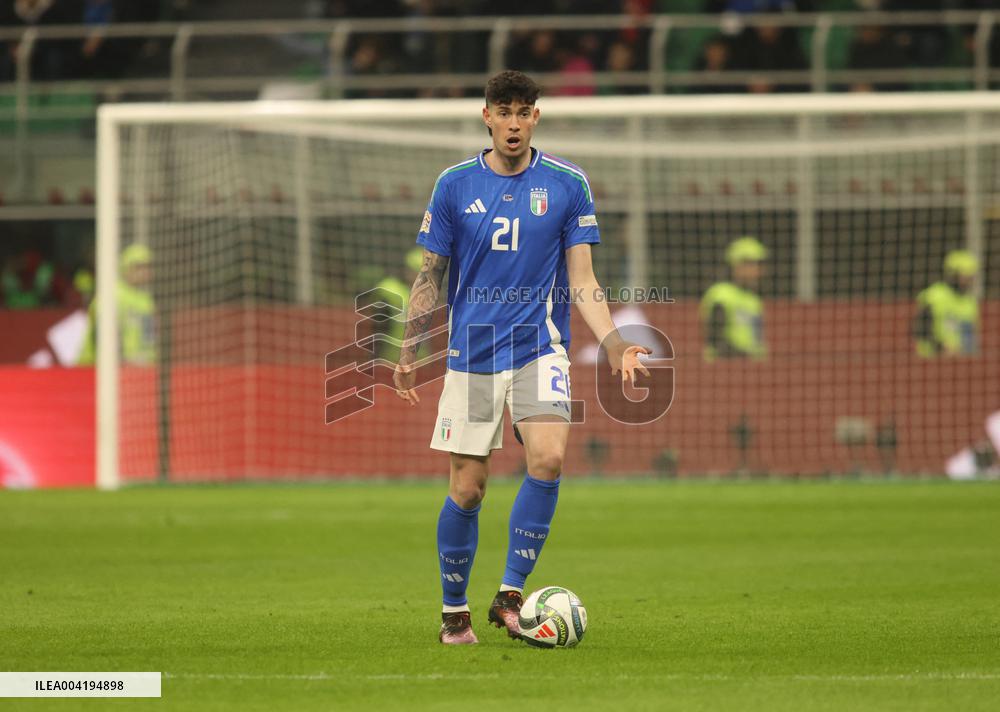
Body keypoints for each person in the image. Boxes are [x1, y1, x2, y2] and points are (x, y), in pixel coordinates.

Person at [393, 70, 650, 645]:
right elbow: (430, 275)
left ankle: (510, 595)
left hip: (539, 346)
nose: (513, 121)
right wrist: (410, 348)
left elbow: (583, 279)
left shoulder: (567, 183)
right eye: (503, 110)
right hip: (473, 353)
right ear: (486, 116)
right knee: (468, 489)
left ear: (537, 117)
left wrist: (612, 343)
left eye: (523, 111)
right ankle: (453, 612)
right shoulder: (455, 184)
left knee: (550, 458)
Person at [77, 243, 156, 366]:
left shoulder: (147, 301)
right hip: (99, 368)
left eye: (148, 267)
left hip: (141, 369)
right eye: (140, 267)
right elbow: (101, 332)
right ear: (127, 268)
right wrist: (117, 361)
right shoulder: (111, 294)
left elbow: (149, 337)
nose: (146, 272)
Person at [700, 236, 767, 361]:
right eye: (752, 264)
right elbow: (715, 339)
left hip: (753, 371)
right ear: (737, 266)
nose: (758, 271)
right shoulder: (721, 294)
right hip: (724, 368)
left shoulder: (754, 300)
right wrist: (746, 357)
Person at [913, 250, 980, 358]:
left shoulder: (970, 302)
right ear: (954, 274)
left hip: (959, 364)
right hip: (931, 361)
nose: (970, 281)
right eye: (966, 277)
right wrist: (941, 348)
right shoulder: (934, 295)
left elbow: (969, 337)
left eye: (971, 277)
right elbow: (920, 329)